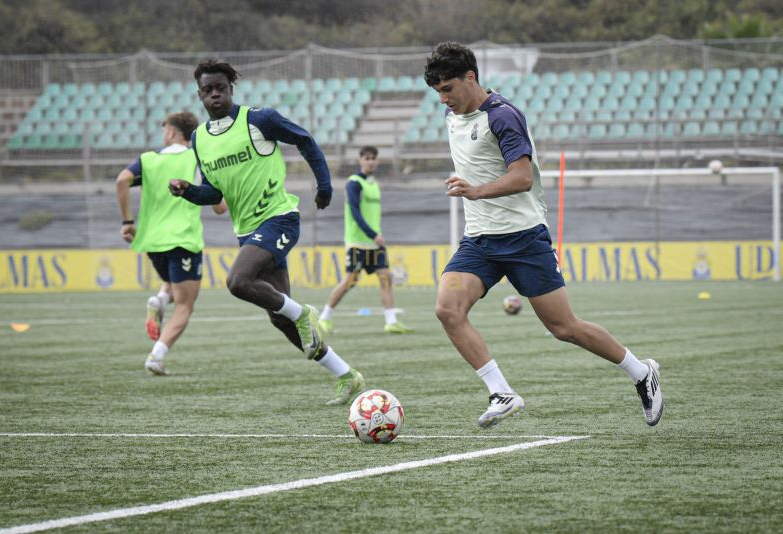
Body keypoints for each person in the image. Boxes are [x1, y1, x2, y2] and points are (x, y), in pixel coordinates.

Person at [423, 42, 663, 428]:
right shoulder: (452, 117)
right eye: (437, 92)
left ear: (471, 77)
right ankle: (502, 392)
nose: (443, 98)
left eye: (448, 88)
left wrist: (475, 190)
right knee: (448, 310)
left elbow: (521, 177)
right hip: (479, 240)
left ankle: (641, 372)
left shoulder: (503, 117)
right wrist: (475, 194)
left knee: (564, 328)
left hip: (523, 238)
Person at [168, 59, 365, 405]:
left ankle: (304, 312)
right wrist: (187, 190)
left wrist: (324, 186)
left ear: (231, 89)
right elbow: (214, 194)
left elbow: (305, 140)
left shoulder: (259, 120)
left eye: (221, 88)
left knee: (238, 282)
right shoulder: (199, 139)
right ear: (199, 94)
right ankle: (347, 375)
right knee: (279, 317)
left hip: (278, 218)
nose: (214, 94)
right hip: (247, 231)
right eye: (207, 90)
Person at [116, 111, 227, 376]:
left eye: (164, 128)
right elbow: (220, 207)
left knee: (173, 285)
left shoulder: (148, 159)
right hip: (183, 240)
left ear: (171, 132)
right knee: (185, 305)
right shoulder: (198, 158)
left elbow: (122, 181)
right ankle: (157, 355)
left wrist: (127, 222)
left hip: (153, 243)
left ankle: (159, 299)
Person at [318, 146, 414, 335]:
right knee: (349, 282)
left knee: (385, 278)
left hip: (374, 243)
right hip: (358, 242)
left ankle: (391, 321)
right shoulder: (354, 183)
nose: (370, 161)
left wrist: (374, 236)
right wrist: (372, 234)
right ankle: (324, 317)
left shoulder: (373, 184)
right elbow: (355, 213)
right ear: (360, 160)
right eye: (367, 158)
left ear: (377, 161)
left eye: (373, 158)